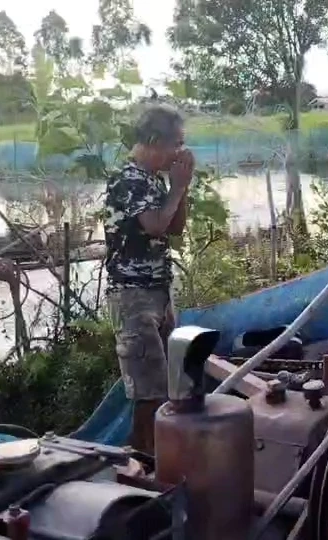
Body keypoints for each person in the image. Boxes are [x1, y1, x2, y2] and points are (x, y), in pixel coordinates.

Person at [103, 104, 193, 454]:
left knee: (168, 381)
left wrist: (179, 189)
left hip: (158, 291)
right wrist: (178, 186)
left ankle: (163, 458)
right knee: (147, 392)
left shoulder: (154, 179)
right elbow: (154, 224)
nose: (179, 154)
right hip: (133, 296)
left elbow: (173, 228)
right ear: (155, 141)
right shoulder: (128, 178)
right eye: (176, 145)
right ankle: (144, 465)